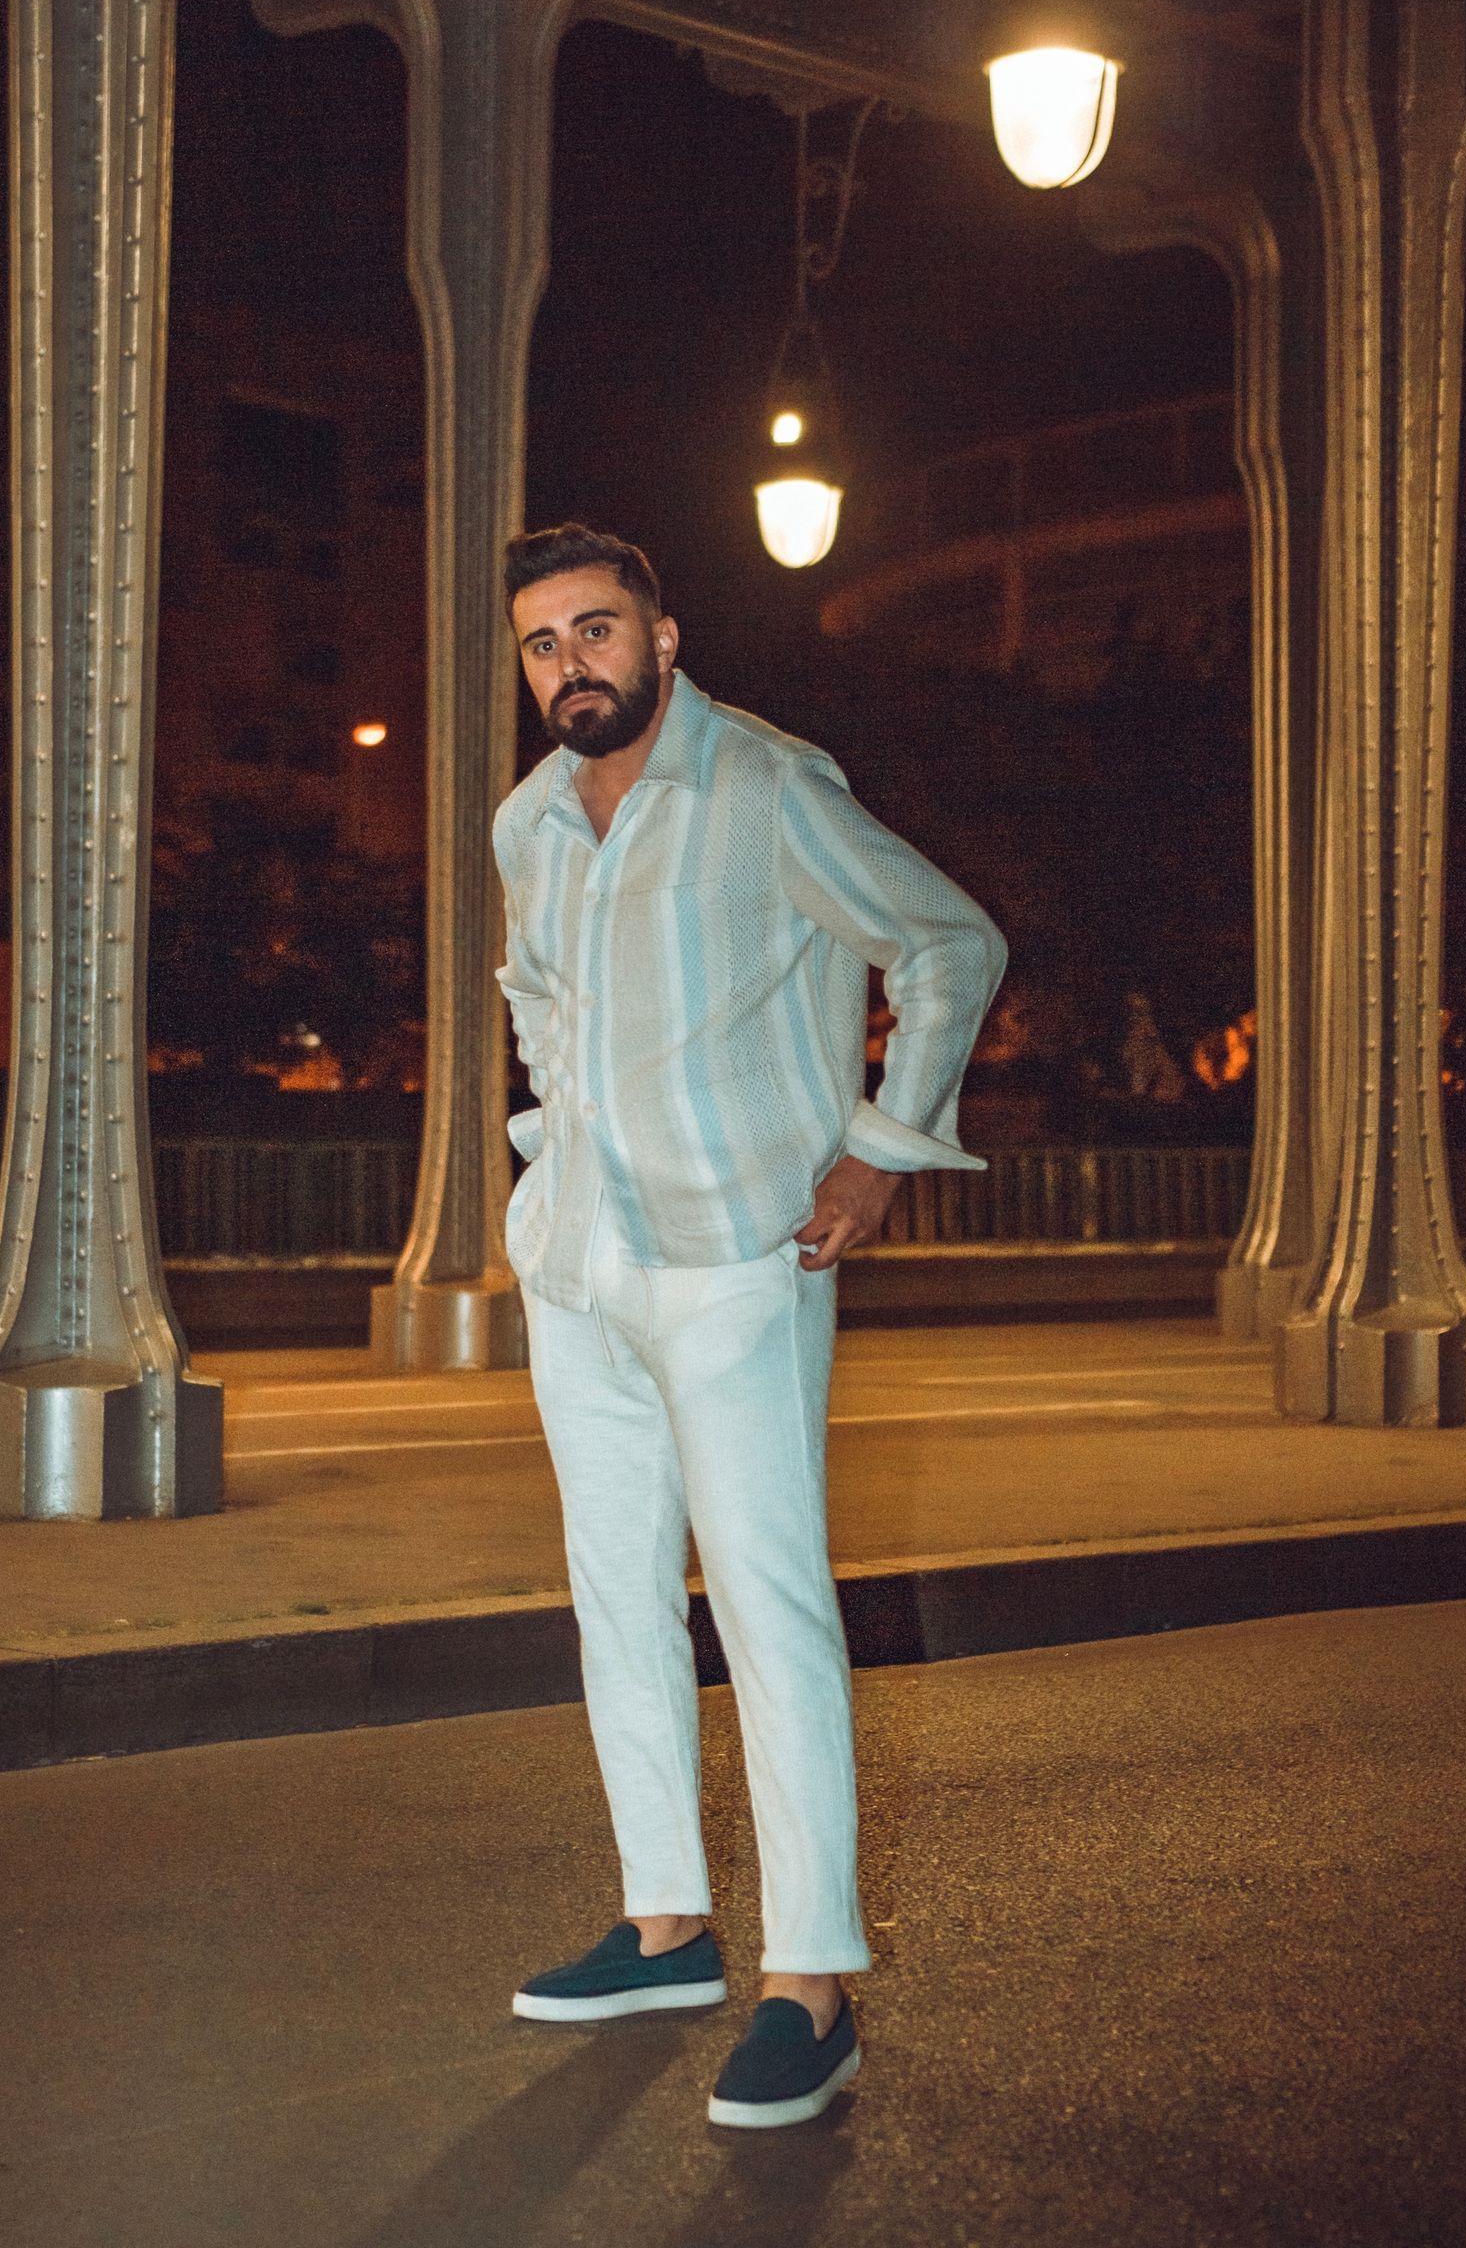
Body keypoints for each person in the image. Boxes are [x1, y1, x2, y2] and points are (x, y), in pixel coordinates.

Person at [492, 524, 1007, 2130]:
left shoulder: (768, 787)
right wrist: (552, 1150)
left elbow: (948, 943)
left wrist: (880, 1151)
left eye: (597, 629)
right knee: (617, 1600)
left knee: (772, 1615)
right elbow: (536, 994)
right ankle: (663, 1929)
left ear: (662, 635)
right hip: (583, 1261)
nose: (570, 664)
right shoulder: (527, 821)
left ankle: (811, 1988)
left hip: (736, 1257)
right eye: (542, 643)